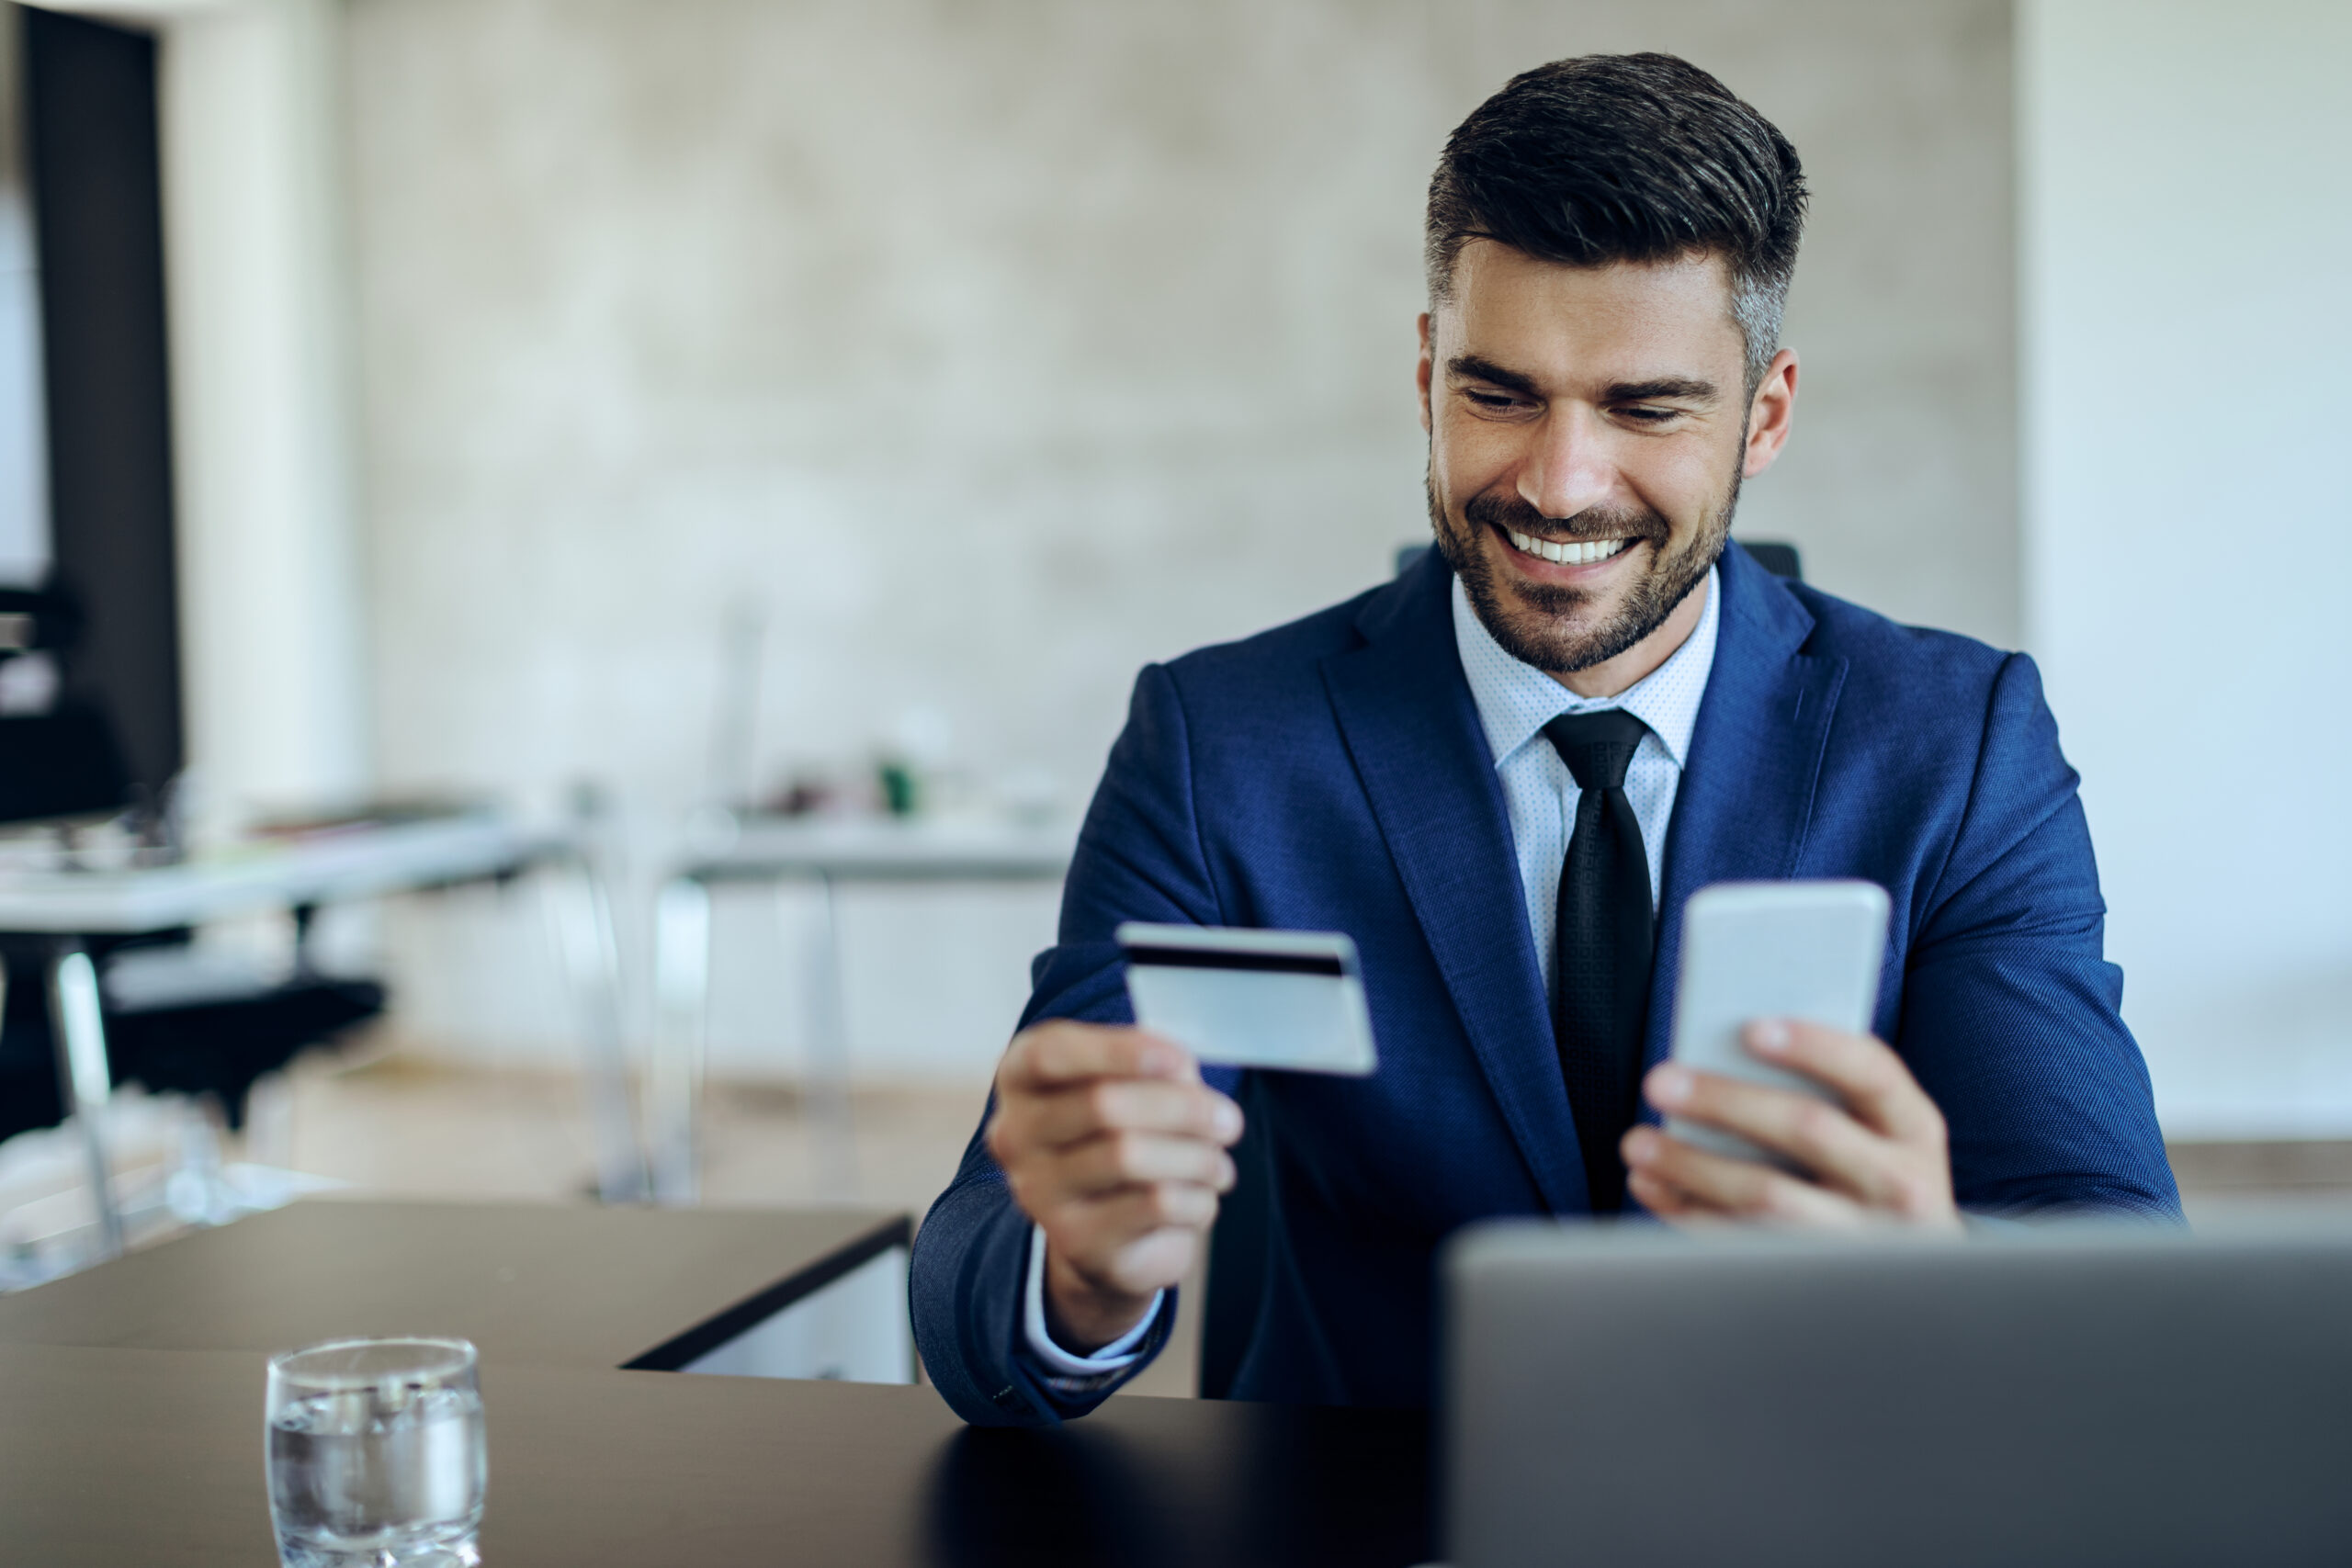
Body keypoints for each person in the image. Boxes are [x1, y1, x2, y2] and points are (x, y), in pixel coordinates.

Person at [910, 51, 2179, 1426]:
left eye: (1645, 407)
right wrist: (1077, 1275)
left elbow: (2107, 1259)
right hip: (1363, 1512)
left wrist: (1936, 1271)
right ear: (1425, 374)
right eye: (1500, 394)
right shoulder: (1222, 746)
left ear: (1765, 416)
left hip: (1805, 1496)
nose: (1560, 483)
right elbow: (984, 1270)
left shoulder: (1959, 744)